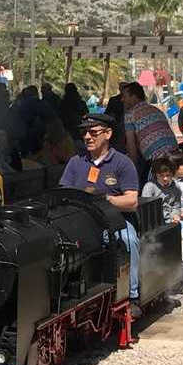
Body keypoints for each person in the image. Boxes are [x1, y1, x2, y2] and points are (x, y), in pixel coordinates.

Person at [58, 114, 142, 313]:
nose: (87, 137)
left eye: (93, 132)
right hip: (80, 221)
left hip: (114, 220)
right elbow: (63, 194)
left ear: (108, 134)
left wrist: (106, 200)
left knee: (129, 239)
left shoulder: (123, 163)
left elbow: (132, 201)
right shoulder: (74, 163)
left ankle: (132, 295)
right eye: (84, 133)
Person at [144, 155, 183, 283]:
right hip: (156, 224)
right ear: (156, 175)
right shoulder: (150, 187)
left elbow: (176, 205)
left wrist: (176, 215)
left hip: (172, 221)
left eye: (168, 175)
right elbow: (145, 207)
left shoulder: (175, 187)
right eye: (162, 176)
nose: (165, 179)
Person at [120, 82, 178, 171]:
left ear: (134, 96)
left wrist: (133, 169)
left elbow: (131, 145)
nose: (122, 100)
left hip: (157, 160)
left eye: (124, 96)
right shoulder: (156, 110)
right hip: (175, 154)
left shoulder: (130, 115)